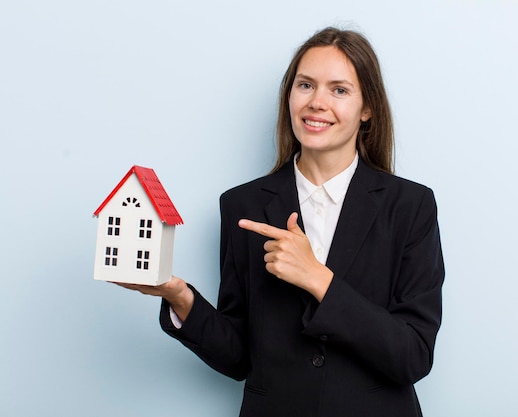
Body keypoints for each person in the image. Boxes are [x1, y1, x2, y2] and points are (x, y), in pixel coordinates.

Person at [117, 27, 444, 417]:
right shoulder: (242, 205)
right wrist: (180, 298)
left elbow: (413, 355)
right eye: (305, 85)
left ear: (367, 107)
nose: (317, 102)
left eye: (339, 90)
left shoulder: (410, 206)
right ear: (289, 96)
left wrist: (316, 278)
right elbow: (239, 358)